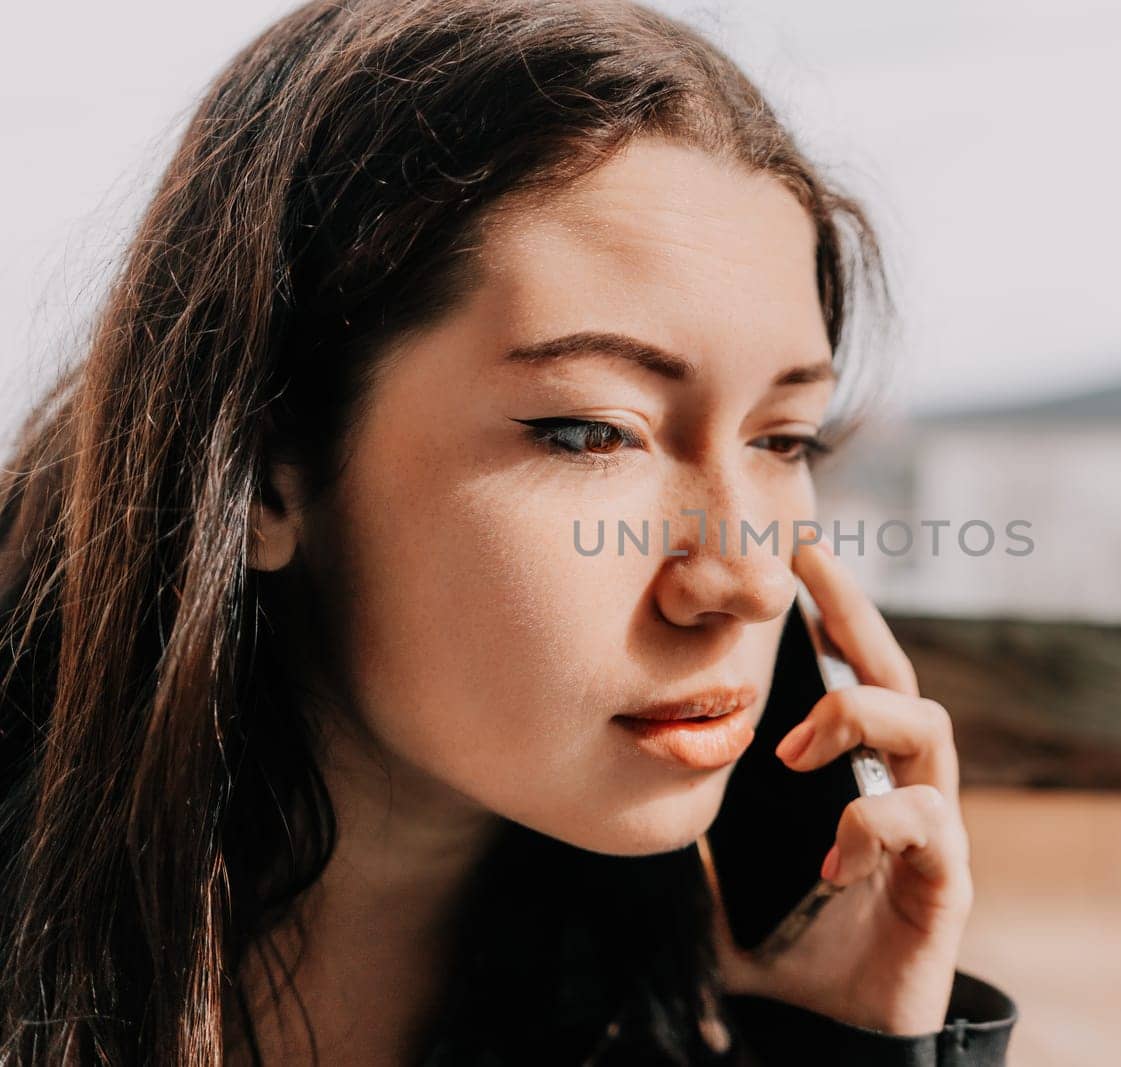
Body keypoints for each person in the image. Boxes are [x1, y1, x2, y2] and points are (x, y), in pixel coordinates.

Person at [0, 1, 1018, 1063]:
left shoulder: (677, 998)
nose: (749, 578)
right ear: (262, 476)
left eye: (784, 437)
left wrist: (840, 1044)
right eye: (591, 432)